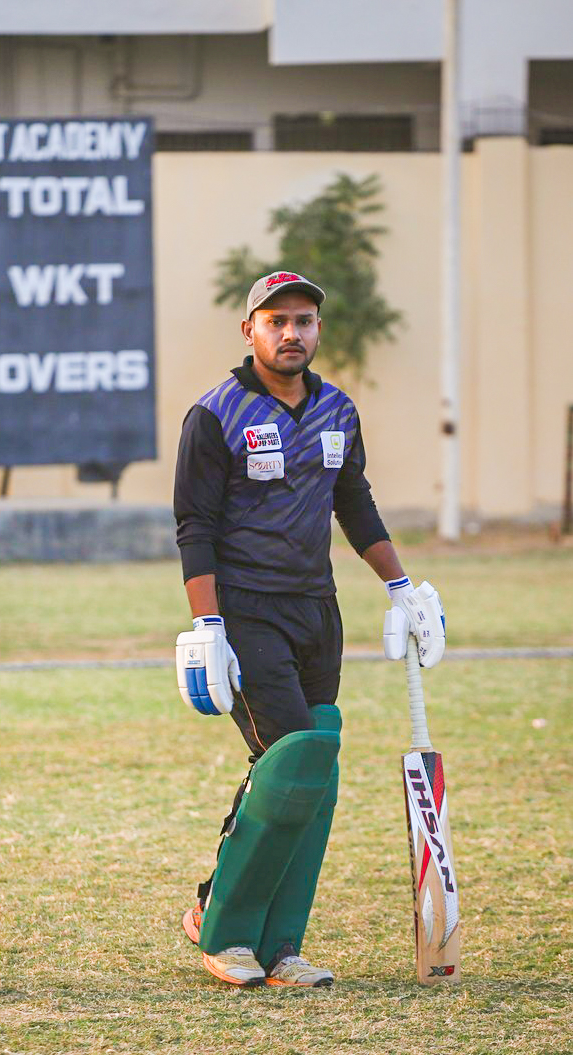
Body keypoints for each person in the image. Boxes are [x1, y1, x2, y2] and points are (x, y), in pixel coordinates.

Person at [172, 270, 445, 988]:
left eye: (303, 320)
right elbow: (194, 525)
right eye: (276, 321)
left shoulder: (337, 409)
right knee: (292, 757)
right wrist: (208, 623)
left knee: (312, 770)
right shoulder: (215, 414)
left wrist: (400, 586)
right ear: (250, 331)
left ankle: (281, 944)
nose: (291, 333)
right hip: (246, 610)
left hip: (317, 611)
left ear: (318, 329)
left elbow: (354, 503)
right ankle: (225, 930)